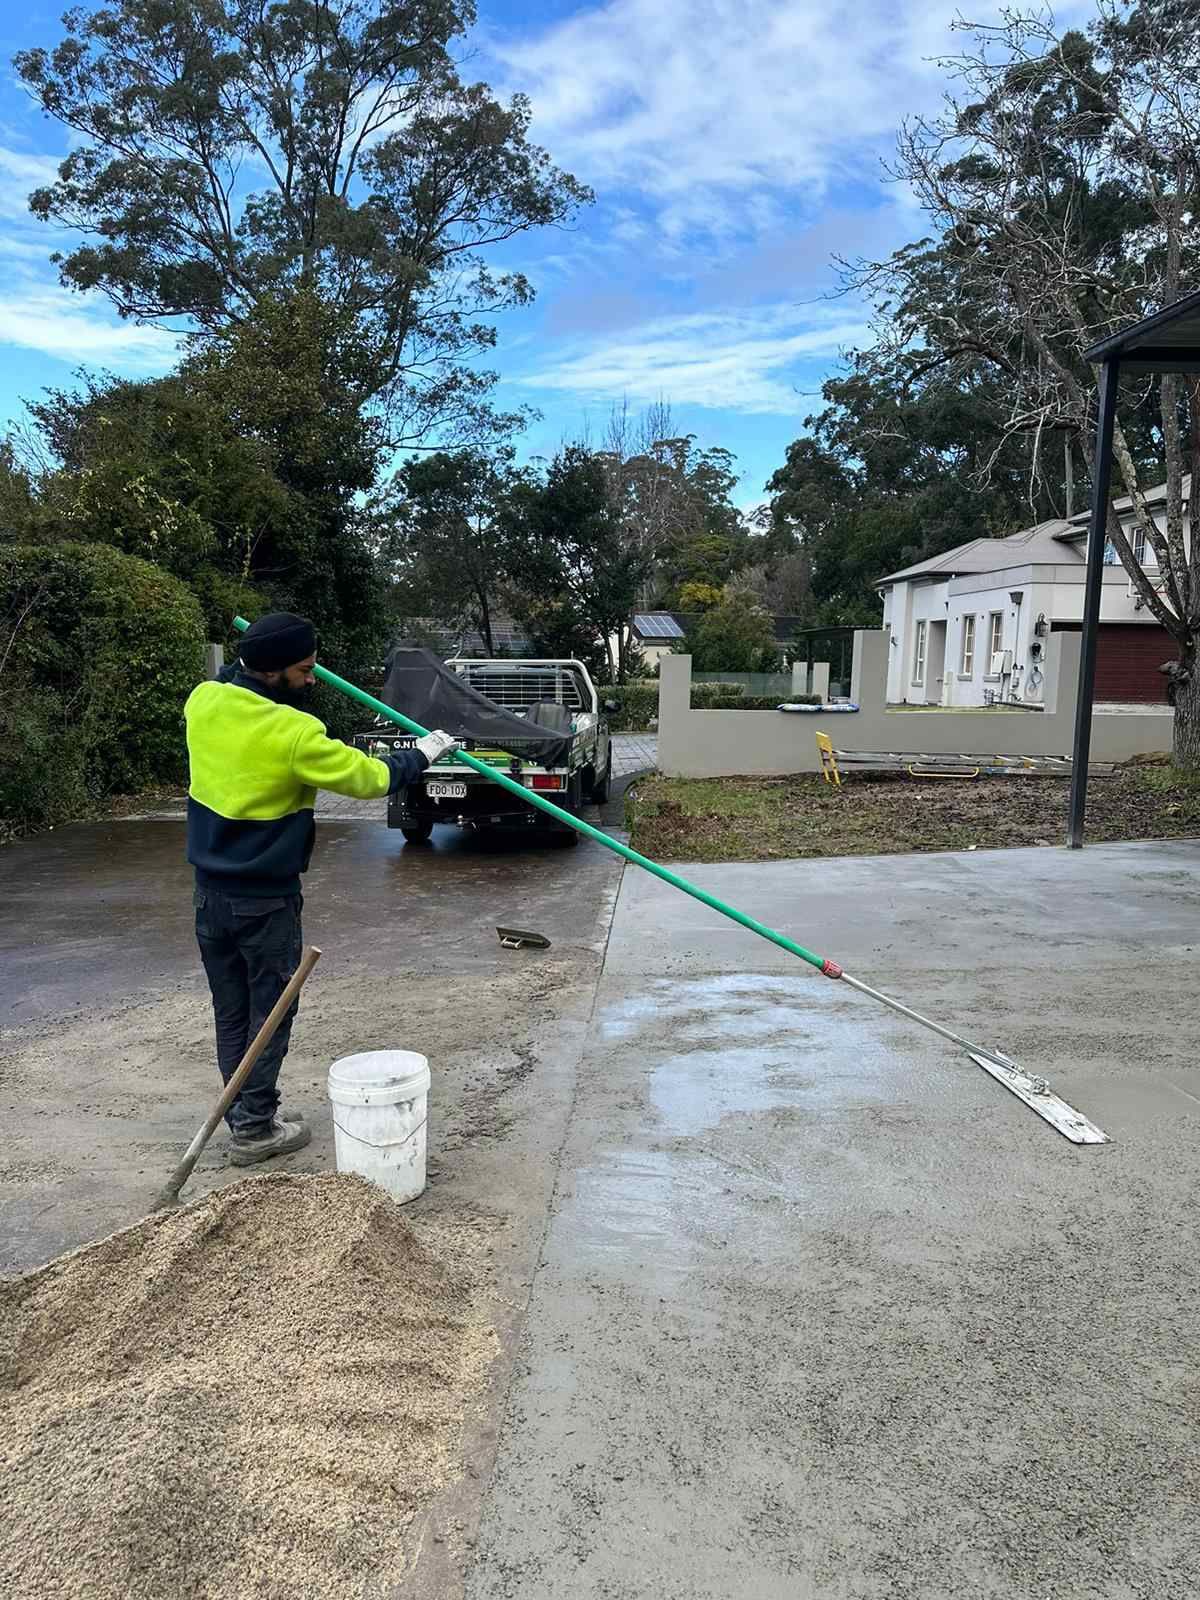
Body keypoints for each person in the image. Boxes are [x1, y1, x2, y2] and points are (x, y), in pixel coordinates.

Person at [184, 612, 459, 1165]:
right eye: (305, 669)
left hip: (208, 896)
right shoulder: (294, 734)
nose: (313, 679)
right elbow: (369, 778)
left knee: (233, 1011)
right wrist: (424, 753)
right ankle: (255, 1130)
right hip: (264, 901)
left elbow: (228, 686)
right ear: (274, 670)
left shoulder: (203, 703)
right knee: (271, 1014)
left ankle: (245, 1114)